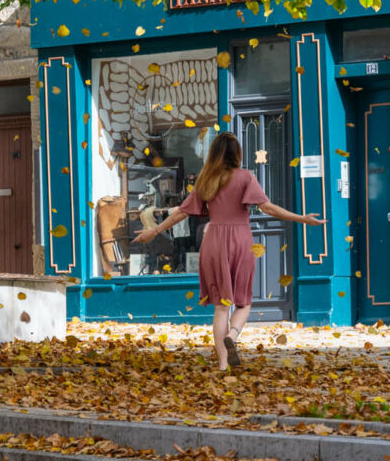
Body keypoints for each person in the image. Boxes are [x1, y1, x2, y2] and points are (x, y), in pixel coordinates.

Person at [132, 132, 326, 370]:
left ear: (213, 153)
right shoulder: (245, 177)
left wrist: (153, 231)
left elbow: (182, 212)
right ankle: (232, 336)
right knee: (243, 302)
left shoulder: (205, 180)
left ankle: (223, 364)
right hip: (240, 240)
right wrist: (302, 219)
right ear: (237, 153)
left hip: (213, 241)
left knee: (221, 306)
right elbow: (268, 208)